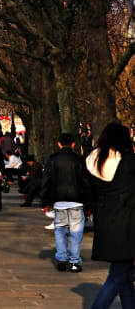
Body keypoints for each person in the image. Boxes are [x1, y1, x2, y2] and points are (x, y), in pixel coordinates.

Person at [86, 123, 135, 309]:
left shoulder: (93, 161)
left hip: (106, 223)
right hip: (127, 225)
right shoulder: (128, 162)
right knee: (117, 275)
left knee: (125, 275)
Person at [41, 132, 94, 273]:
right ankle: (74, 261)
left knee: (60, 230)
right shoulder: (79, 160)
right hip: (77, 200)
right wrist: (89, 204)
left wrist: (45, 201)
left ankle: (62, 258)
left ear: (59, 144)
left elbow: (46, 181)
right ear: (73, 144)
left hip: (59, 200)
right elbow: (86, 183)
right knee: (76, 233)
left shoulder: (52, 159)